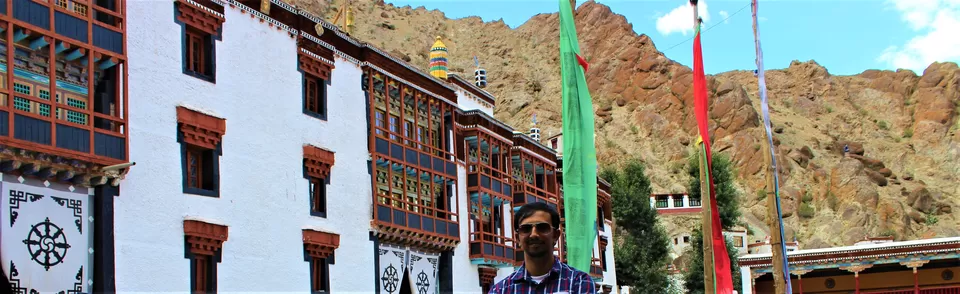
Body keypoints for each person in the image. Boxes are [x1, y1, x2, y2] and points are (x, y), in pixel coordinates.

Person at [488, 202, 596, 294]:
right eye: (526, 229)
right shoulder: (501, 290)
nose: (534, 234)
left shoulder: (578, 282)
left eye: (542, 228)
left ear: (555, 235)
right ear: (517, 238)